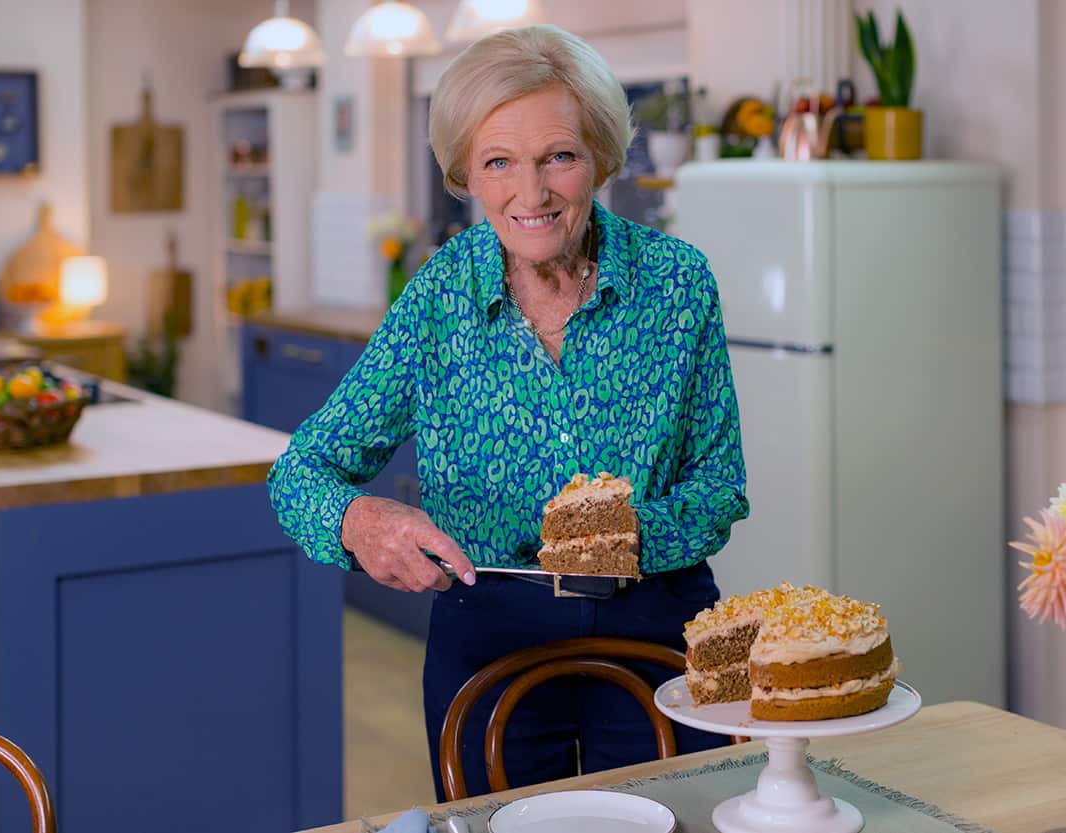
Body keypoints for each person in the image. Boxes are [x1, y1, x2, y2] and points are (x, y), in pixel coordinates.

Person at [267, 24, 748, 801]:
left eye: (559, 156)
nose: (532, 194)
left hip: (661, 635)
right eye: (499, 163)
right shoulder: (439, 298)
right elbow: (301, 471)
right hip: (490, 640)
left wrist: (622, 537)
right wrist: (361, 522)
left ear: (600, 155)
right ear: (466, 172)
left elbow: (720, 485)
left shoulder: (678, 283)